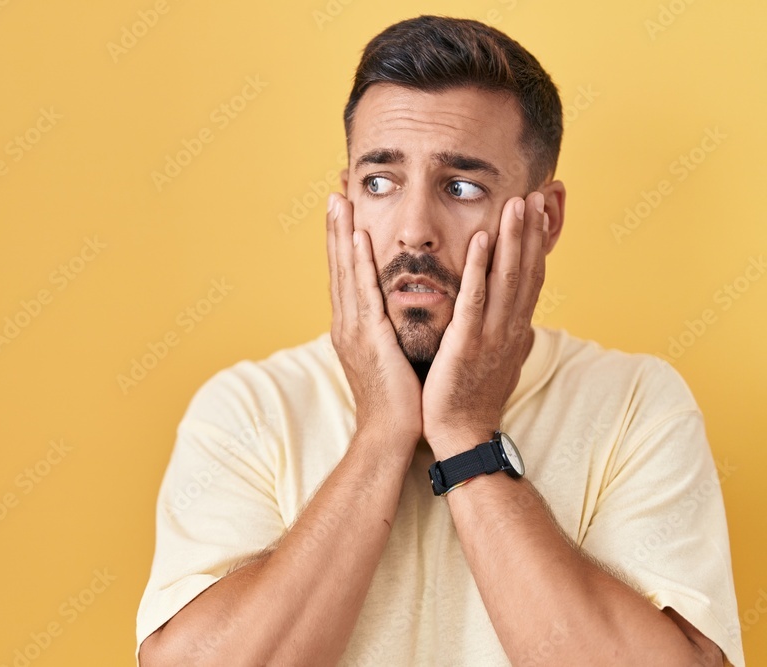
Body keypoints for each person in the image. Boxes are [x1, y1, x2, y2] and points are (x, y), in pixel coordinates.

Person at [136, 15, 744, 667]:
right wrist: (380, 436)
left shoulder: (636, 403)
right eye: (379, 182)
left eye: (460, 186)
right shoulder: (249, 406)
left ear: (546, 217)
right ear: (344, 201)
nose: (413, 231)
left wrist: (465, 433)